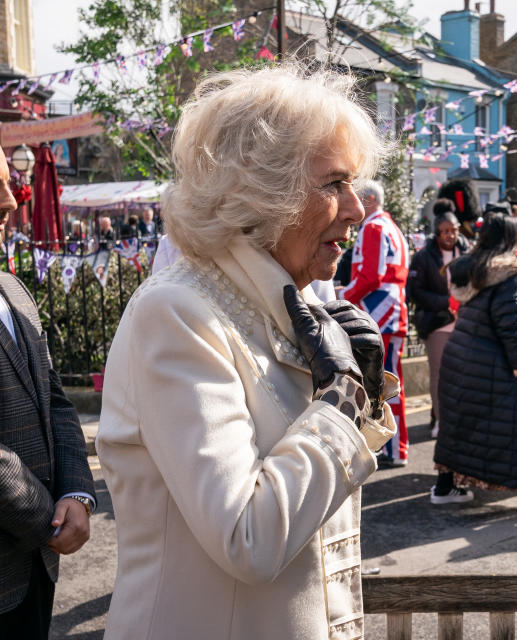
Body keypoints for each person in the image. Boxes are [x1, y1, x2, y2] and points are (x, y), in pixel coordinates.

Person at [96, 65, 398, 639]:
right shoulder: (178, 313)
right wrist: (341, 404)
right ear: (262, 191)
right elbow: (248, 538)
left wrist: (358, 395)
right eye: (334, 184)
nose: (358, 209)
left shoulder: (281, 306)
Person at [0, 157, 95, 638]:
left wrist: (77, 493)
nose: (11, 201)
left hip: (35, 569)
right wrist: (49, 521)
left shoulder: (14, 290)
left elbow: (56, 399)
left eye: (9, 182)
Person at [432, 213, 517, 504]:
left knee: (457, 427)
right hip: (492, 364)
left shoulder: (472, 269)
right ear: (512, 239)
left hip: (460, 360)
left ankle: (445, 488)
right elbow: (513, 326)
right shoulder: (510, 274)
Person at [341, 179, 410, 468]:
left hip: (378, 314)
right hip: (391, 312)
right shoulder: (391, 227)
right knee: (387, 381)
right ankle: (395, 446)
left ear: (369, 199)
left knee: (383, 383)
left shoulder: (374, 227)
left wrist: (342, 296)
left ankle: (393, 447)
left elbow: (370, 276)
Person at [407, 203, 467, 439]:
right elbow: (415, 290)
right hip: (437, 321)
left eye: (454, 230)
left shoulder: (467, 251)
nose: (450, 235)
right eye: (445, 231)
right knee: (439, 373)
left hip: (464, 320)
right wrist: (445, 302)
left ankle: (459, 418)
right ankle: (441, 420)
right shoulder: (423, 257)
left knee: (462, 373)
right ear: (437, 233)